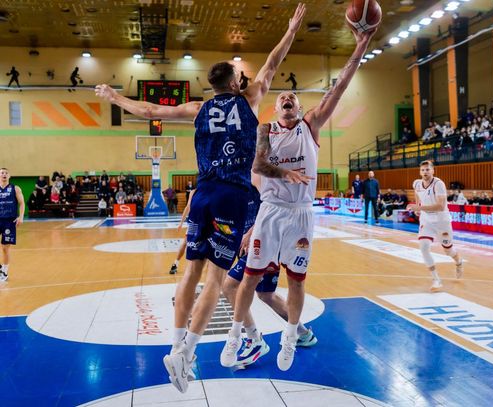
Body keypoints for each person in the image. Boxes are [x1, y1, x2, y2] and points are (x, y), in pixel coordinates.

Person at [97, 3, 306, 393]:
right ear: (235, 82)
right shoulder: (250, 98)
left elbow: (149, 109)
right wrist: (291, 30)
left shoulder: (198, 108)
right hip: (232, 196)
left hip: (203, 193)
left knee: (190, 272)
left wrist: (114, 97)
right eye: (241, 76)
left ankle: (176, 347)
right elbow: (273, 64)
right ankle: (187, 353)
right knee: (214, 278)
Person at [220, 23, 377, 371]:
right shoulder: (265, 131)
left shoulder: (310, 126)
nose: (286, 99)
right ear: (276, 108)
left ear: (300, 106)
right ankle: (237, 335)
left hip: (301, 212)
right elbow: (259, 165)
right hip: (271, 210)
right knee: (249, 278)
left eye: (292, 97)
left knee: (296, 279)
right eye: (281, 98)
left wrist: (360, 47)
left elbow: (340, 86)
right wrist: (286, 174)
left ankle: (291, 337)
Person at [221, 173, 317, 367]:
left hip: (265, 238)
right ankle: (302, 333)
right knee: (266, 294)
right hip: (253, 240)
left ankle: (254, 339)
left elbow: (272, 205)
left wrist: (251, 232)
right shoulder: (233, 177)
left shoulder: (257, 173)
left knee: (230, 286)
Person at [407, 161, 464, 292]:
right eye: (423, 170)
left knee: (448, 250)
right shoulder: (417, 183)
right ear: (420, 172)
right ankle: (436, 279)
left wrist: (419, 207)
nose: (425, 172)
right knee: (424, 248)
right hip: (426, 220)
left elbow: (440, 206)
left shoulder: (438, 184)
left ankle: (459, 261)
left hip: (441, 220)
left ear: (433, 171)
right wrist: (418, 206)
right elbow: (417, 192)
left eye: (427, 170)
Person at [0, 168, 25, 282]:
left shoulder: (15, 188)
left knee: (5, 248)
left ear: (9, 176)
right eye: (2, 173)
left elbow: (21, 203)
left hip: (9, 221)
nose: (4, 174)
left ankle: (4, 272)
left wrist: (21, 216)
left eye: (6, 173)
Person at [169, 188, 196, 275]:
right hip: (195, 222)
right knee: (185, 243)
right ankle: (175, 264)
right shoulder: (193, 192)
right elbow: (188, 207)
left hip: (206, 222)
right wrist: (181, 223)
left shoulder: (211, 191)